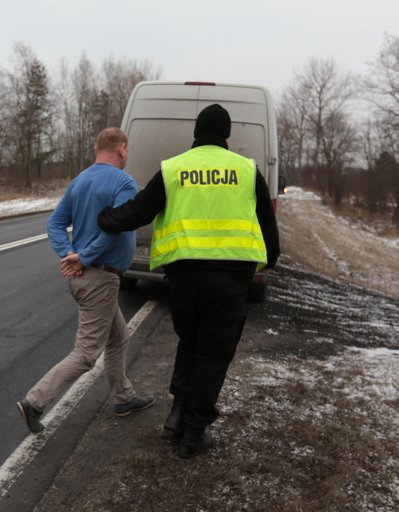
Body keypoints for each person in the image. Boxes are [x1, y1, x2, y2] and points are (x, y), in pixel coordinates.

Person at [98, 104, 280, 458]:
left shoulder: (174, 168)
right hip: (229, 279)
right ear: (226, 135)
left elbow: (139, 211)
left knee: (191, 341)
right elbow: (267, 225)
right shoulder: (246, 170)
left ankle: (179, 412)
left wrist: (106, 218)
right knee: (213, 354)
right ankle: (193, 434)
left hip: (183, 278)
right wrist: (268, 261)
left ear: (195, 134)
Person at [17, 127, 155, 434]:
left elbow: (53, 224)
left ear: (96, 148)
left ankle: (123, 397)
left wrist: (69, 253)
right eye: (126, 150)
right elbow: (117, 225)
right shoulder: (123, 182)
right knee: (86, 354)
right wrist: (85, 256)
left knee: (119, 337)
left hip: (85, 278)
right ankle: (35, 402)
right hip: (100, 278)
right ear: (121, 149)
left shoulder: (78, 182)